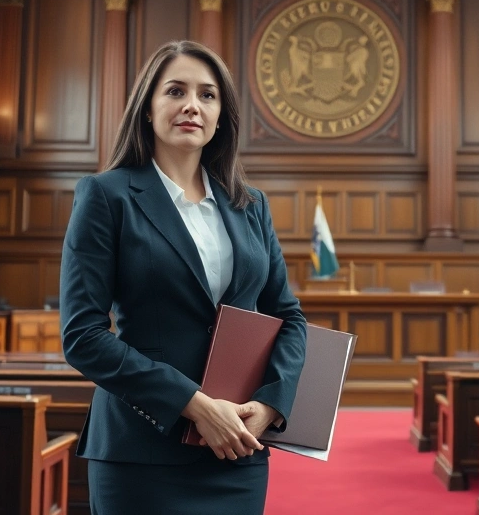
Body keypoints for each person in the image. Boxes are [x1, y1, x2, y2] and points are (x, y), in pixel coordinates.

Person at [60, 40, 308, 514]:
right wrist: (192, 403)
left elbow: (288, 317)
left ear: (220, 118)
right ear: (148, 109)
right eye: (175, 91)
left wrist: (271, 405)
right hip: (141, 450)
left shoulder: (250, 205)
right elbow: (83, 336)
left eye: (208, 95)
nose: (192, 105)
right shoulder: (105, 196)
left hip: (237, 447)